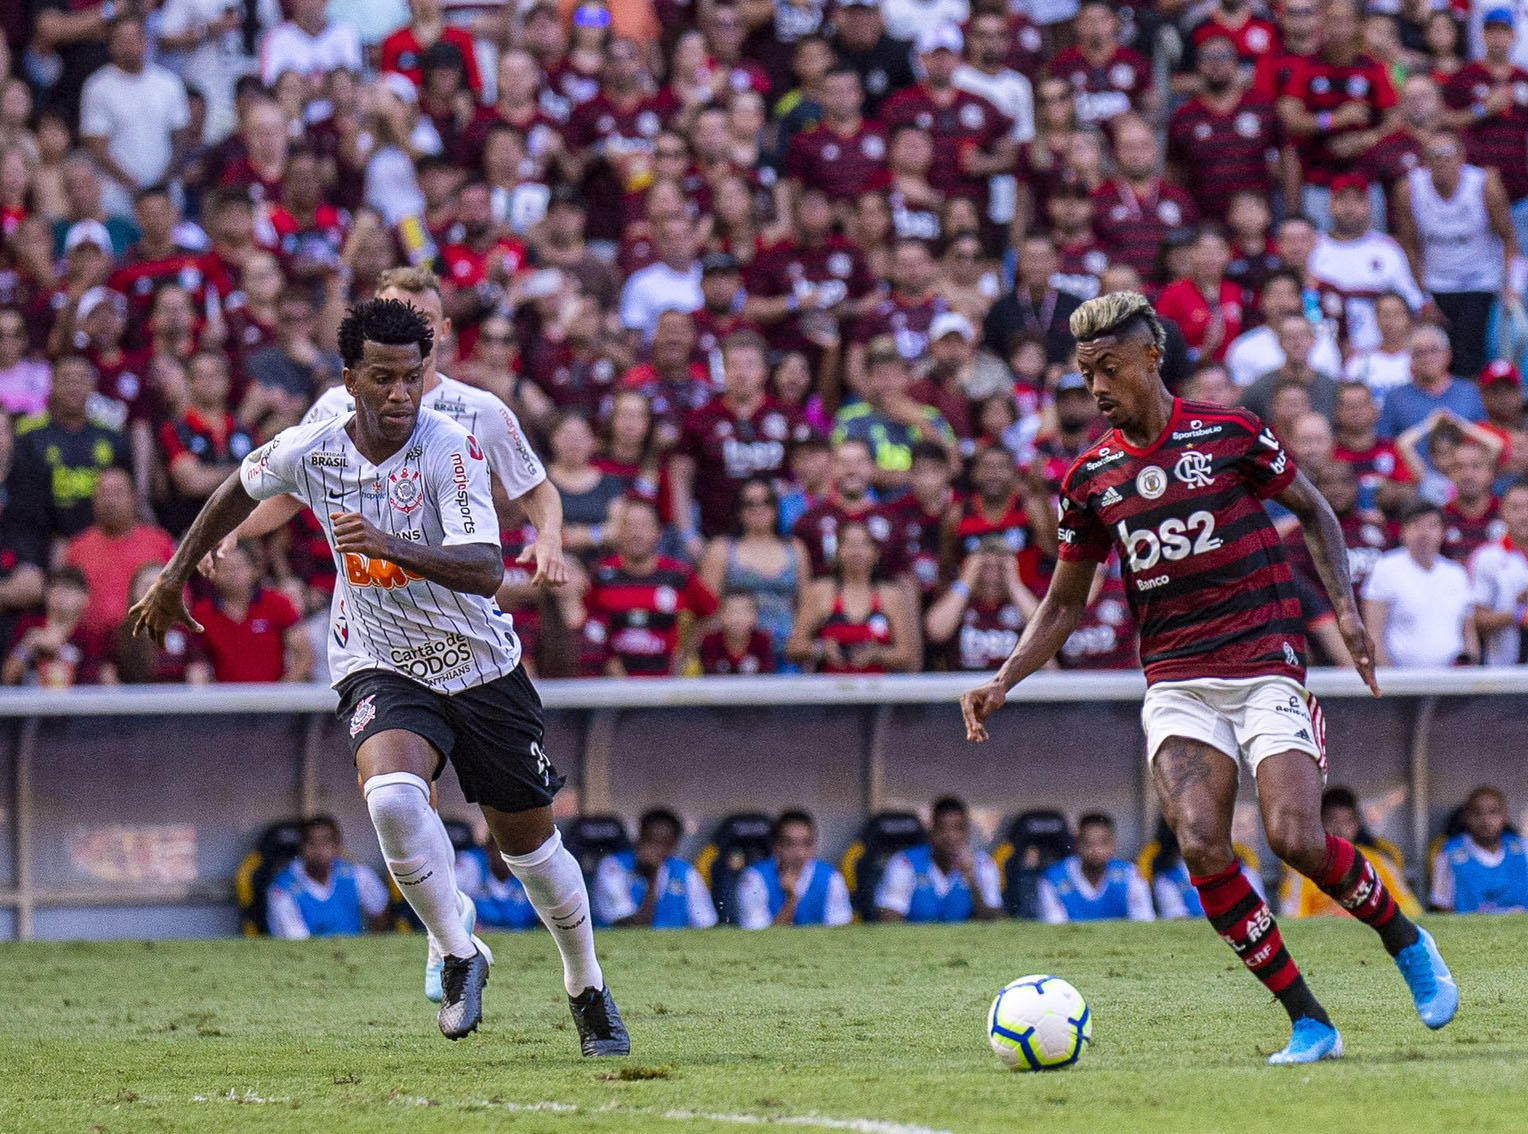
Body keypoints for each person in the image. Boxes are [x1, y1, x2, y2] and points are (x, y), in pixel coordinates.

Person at [960, 291, 1454, 1065]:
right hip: (1178, 680)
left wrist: (1348, 617)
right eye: (1086, 372)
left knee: (1293, 836)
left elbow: (1317, 512)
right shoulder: (1090, 478)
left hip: (1263, 662)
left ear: (1150, 358)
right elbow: (1062, 604)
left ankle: (1404, 937)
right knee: (1200, 843)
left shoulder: (1227, 433)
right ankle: (1308, 1021)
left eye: (1108, 369)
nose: (1095, 389)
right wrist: (1004, 679)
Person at [129, 298, 627, 1052]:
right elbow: (240, 482)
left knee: (527, 849)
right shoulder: (315, 447)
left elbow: (487, 567)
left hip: (479, 666)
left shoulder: (450, 447)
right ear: (349, 380)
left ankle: (585, 986)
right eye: (384, 378)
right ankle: (459, 951)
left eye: (412, 377)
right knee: (393, 800)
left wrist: (390, 544)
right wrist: (173, 574)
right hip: (381, 662)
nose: (401, 394)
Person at [1393, 130, 1518, 382]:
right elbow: (1409, 247)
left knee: (1475, 356)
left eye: (1447, 154)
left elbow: (1508, 239)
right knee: (1434, 358)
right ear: (1424, 161)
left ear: (1462, 158)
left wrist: (1509, 286)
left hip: (1480, 282)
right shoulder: (1409, 190)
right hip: (1436, 284)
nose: (1441, 161)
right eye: (1433, 155)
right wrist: (1423, 298)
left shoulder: (1484, 186)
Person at [584, 495, 718, 677]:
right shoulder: (601, 575)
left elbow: (712, 614)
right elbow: (588, 624)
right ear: (618, 532)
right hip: (614, 688)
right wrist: (609, 664)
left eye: (644, 526)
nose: (636, 534)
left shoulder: (679, 574)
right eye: (629, 526)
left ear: (658, 532)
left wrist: (686, 650)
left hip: (668, 688)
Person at [78, 15, 192, 216]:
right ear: (111, 45)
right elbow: (95, 144)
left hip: (164, 197)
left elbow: (181, 137)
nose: (129, 46)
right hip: (116, 199)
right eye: (122, 40)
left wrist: (161, 182)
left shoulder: (169, 83)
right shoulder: (97, 86)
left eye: (135, 39)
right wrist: (132, 185)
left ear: (146, 42)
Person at [698, 478, 809, 664]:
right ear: (739, 510)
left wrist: (799, 638)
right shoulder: (721, 549)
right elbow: (708, 606)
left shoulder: (795, 548)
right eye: (750, 503)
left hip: (786, 650)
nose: (759, 509)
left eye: (766, 501)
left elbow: (806, 601)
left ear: (776, 507)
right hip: (735, 653)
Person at [787, 519, 920, 674]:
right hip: (828, 691)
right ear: (837, 552)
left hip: (878, 692)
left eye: (863, 544)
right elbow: (794, 647)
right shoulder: (819, 591)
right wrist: (821, 649)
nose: (856, 551)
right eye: (848, 543)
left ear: (876, 553)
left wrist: (877, 654)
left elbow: (906, 654)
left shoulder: (891, 595)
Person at [1362, 500, 1477, 667]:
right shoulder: (1385, 569)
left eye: (1432, 526)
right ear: (1403, 532)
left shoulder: (1456, 573)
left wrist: (1470, 668)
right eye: (1416, 525)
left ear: (1442, 533)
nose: (1424, 533)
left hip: (1453, 681)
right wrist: (1389, 679)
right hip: (1403, 681)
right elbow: (1373, 633)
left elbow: (1468, 633)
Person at [63, 468, 174, 640]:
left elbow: (178, 599)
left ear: (133, 498)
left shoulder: (159, 542)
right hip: (91, 645)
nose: (109, 501)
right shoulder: (77, 547)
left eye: (117, 493)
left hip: (146, 639)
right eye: (103, 493)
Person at [1279, 788, 1420, 919]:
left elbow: (1410, 911)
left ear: (1357, 823)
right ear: (1319, 822)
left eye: (1347, 822)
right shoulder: (1302, 868)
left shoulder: (1379, 861)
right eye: (1332, 820)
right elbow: (1292, 919)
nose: (1339, 828)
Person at [189, 541, 310, 682]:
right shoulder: (201, 613)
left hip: (275, 698)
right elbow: (198, 666)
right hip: (224, 700)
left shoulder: (277, 603)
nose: (232, 574)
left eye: (238, 567)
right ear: (212, 573)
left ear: (254, 570)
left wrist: (282, 693)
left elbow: (303, 655)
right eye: (225, 568)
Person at [874, 796, 1003, 923]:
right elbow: (888, 918)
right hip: (916, 941)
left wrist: (972, 881)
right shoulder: (905, 862)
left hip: (963, 942)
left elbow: (994, 921)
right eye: (942, 829)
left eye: (958, 829)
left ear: (967, 832)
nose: (951, 837)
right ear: (931, 831)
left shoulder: (982, 864)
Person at [266, 815, 391, 939]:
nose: (319, 850)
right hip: (308, 956)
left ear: (337, 846)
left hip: (354, 954)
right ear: (301, 846)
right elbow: (296, 940)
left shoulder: (355, 873)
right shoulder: (282, 889)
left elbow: (381, 911)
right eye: (311, 843)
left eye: (326, 842)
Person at [593, 809, 717, 929]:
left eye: (664, 844)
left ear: (673, 846)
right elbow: (631, 926)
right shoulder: (614, 866)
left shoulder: (685, 872)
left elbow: (706, 924)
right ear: (638, 838)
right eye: (650, 841)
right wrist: (653, 877)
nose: (654, 849)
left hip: (673, 948)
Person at [734, 809, 853, 929]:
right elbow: (756, 936)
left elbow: (840, 929)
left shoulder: (831, 878)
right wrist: (791, 899)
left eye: (807, 843)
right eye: (790, 844)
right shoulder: (754, 877)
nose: (800, 853)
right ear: (776, 846)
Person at [1038, 813, 1155, 923]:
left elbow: (1144, 921)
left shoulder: (1131, 874)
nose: (1096, 850)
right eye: (1088, 843)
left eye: (1103, 843)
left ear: (1112, 844)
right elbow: (1054, 927)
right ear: (1077, 844)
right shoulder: (1053, 878)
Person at [1376, 325, 1486, 439]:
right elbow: (1386, 445)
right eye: (1419, 352)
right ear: (1411, 359)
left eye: (1434, 350)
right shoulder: (1396, 398)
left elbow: (1483, 438)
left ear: (1448, 354)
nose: (1427, 358)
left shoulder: (1468, 392)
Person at [1431, 786, 1528, 914]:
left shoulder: (1523, 848)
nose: (1485, 820)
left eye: (1493, 812)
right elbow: (1442, 906)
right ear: (1466, 817)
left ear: (1505, 816)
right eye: (1477, 813)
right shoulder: (1449, 853)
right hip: (1470, 932)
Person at [1, 566, 103, 687]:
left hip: (72, 704)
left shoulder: (89, 636)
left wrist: (62, 651)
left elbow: (91, 687)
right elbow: (7, 679)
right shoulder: (28, 625)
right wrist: (27, 646)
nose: (60, 593)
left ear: (85, 598)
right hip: (30, 702)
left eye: (68, 589)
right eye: (54, 587)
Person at [1469, 479, 1528, 666]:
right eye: (1516, 508)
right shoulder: (1487, 557)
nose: (1524, 515)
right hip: (1503, 673)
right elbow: (1475, 620)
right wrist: (1518, 616)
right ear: (1503, 512)